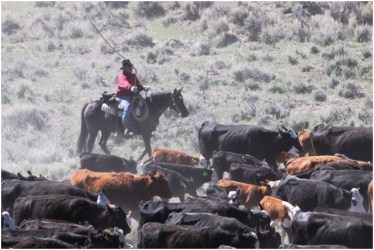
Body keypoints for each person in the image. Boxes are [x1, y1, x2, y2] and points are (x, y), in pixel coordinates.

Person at [116, 59, 150, 137]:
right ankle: (126, 129)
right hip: (122, 97)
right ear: (125, 68)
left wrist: (143, 88)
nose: (132, 68)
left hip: (132, 96)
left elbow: (138, 85)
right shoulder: (122, 76)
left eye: (131, 67)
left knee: (142, 105)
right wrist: (131, 87)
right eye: (130, 67)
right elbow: (124, 84)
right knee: (127, 106)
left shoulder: (133, 76)